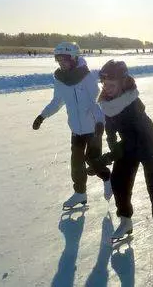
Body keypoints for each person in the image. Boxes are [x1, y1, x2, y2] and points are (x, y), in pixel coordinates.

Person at [96, 60, 153, 244]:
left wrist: (110, 156)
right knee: (118, 180)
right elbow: (110, 128)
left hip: (146, 143)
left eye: (111, 85)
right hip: (127, 144)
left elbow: (135, 138)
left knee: (152, 183)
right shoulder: (107, 103)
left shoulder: (133, 103)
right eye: (104, 84)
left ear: (123, 83)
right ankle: (125, 221)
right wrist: (111, 146)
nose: (107, 88)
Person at [32, 42, 112, 209]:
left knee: (92, 159)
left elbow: (96, 101)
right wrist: (42, 116)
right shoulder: (60, 79)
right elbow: (57, 102)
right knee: (76, 163)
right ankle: (80, 193)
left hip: (92, 129)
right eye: (58, 60)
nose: (62, 63)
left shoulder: (87, 76)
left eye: (65, 59)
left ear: (74, 58)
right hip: (76, 129)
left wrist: (99, 123)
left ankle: (107, 178)